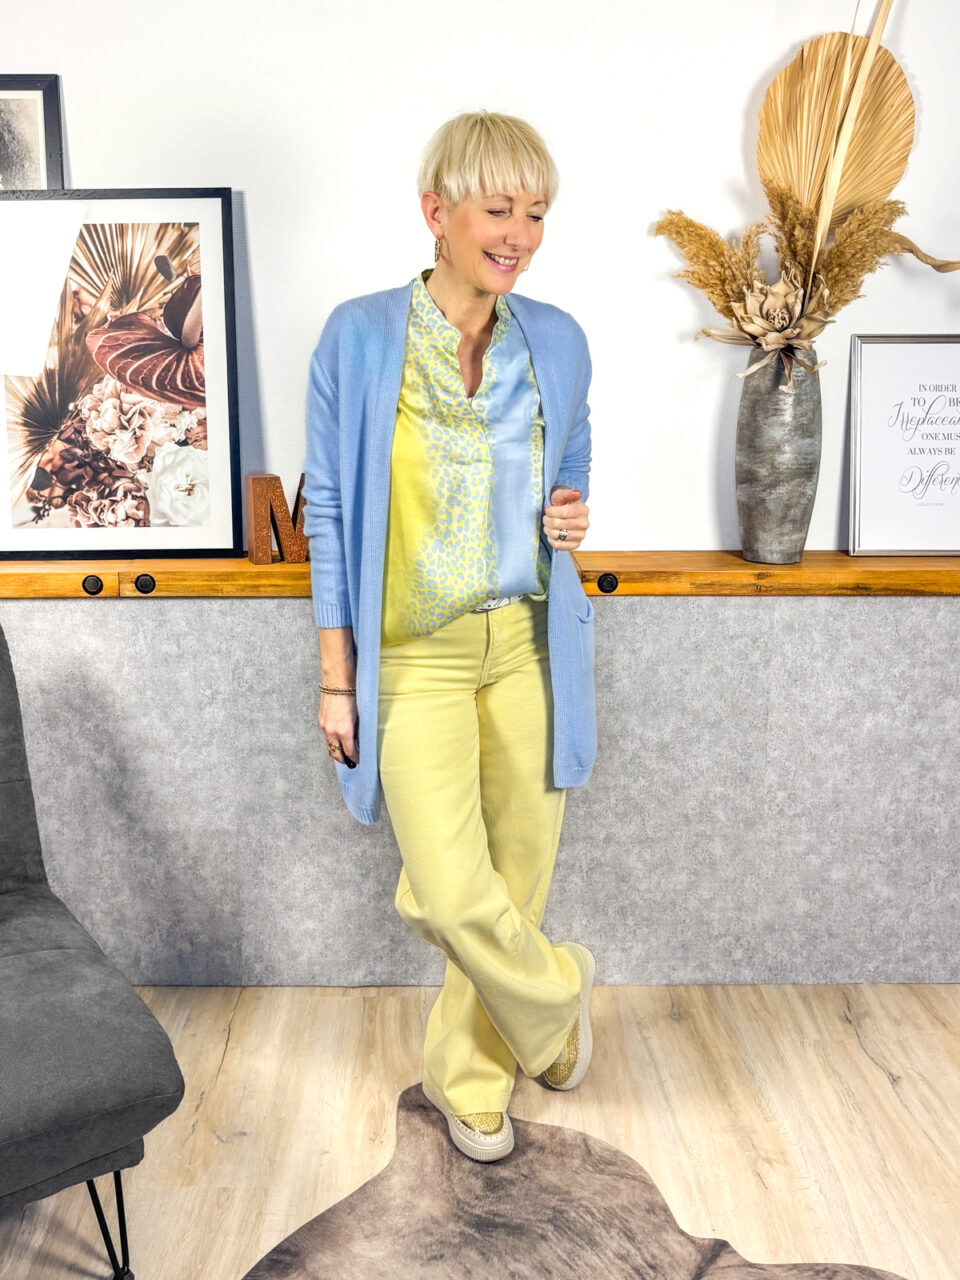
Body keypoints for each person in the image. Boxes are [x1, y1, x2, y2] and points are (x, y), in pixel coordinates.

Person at [301, 109, 599, 1162]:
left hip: (526, 644)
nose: (520, 234)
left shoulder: (556, 338)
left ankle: (471, 1079)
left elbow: (574, 464)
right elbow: (329, 511)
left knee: (512, 881)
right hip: (414, 658)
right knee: (452, 888)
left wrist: (570, 512)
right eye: (498, 209)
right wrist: (337, 679)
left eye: (536, 213)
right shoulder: (358, 336)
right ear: (437, 212)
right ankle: (556, 997)